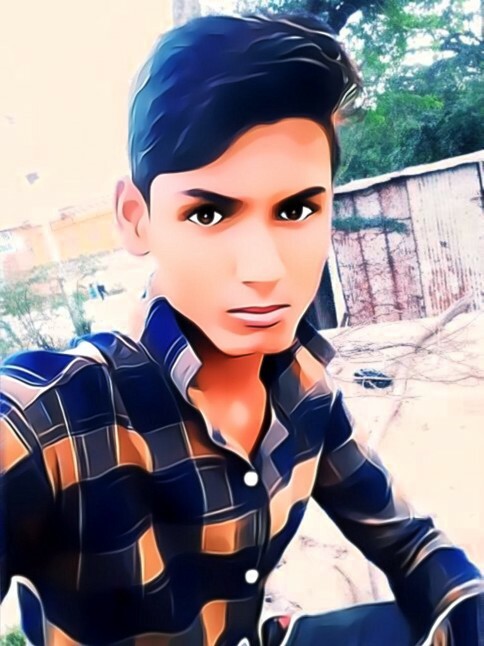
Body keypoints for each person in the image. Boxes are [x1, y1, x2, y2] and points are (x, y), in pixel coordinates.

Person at [1, 11, 482, 646]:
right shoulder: (51, 421)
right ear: (136, 218)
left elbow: (410, 542)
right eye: (208, 214)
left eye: (297, 209)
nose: (264, 269)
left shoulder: (305, 391)